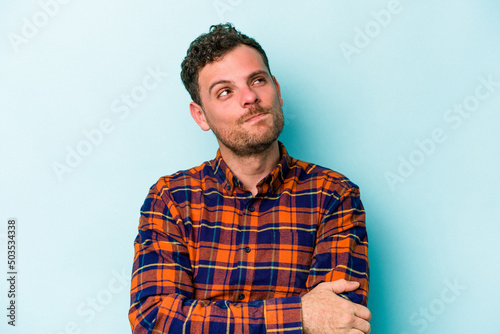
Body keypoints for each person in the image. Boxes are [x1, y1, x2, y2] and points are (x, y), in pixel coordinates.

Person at [129, 23, 371, 334]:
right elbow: (155, 320)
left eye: (257, 80)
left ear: (277, 90)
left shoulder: (334, 195)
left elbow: (340, 320)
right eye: (225, 91)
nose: (249, 97)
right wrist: (300, 316)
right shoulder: (171, 198)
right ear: (200, 115)